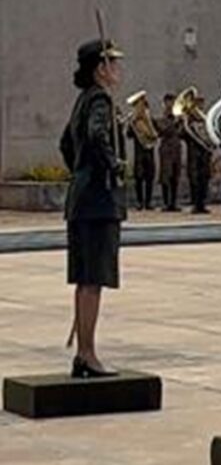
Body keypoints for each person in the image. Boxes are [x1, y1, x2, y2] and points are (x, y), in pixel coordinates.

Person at [59, 38, 127, 378]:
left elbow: (65, 143)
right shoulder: (99, 98)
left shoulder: (83, 99)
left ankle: (85, 353)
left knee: (86, 280)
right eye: (112, 63)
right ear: (100, 69)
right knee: (93, 281)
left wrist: (81, 171)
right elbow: (96, 135)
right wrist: (111, 166)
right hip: (97, 203)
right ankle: (87, 353)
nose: (117, 69)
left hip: (82, 198)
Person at [125, 93, 156, 211]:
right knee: (139, 177)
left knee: (149, 176)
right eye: (139, 105)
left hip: (149, 150)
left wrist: (150, 129)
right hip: (139, 152)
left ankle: (148, 202)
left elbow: (156, 133)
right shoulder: (134, 121)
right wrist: (131, 124)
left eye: (143, 105)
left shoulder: (149, 119)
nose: (141, 108)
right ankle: (139, 202)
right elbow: (128, 135)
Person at [155, 92, 183, 212]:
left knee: (175, 176)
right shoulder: (161, 119)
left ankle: (174, 202)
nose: (171, 105)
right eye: (169, 102)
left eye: (173, 102)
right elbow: (163, 130)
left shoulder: (178, 118)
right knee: (166, 176)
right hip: (166, 150)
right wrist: (175, 122)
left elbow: (181, 134)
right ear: (165, 104)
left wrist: (182, 123)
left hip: (177, 148)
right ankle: (166, 202)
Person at [186, 94, 212, 214]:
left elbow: (211, 135)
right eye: (198, 104)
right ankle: (195, 204)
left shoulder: (207, 120)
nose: (200, 107)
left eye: (201, 104)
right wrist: (184, 122)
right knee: (194, 179)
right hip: (194, 153)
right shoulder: (189, 120)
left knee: (205, 178)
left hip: (205, 153)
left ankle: (203, 203)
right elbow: (183, 135)